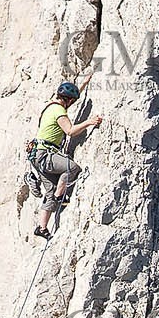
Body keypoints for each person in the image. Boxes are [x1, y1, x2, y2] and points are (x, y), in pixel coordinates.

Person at [28, 79, 102, 240]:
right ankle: (59, 197)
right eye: (72, 101)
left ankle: (42, 228)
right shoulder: (59, 111)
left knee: (49, 192)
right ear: (67, 100)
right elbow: (70, 131)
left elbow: (73, 96)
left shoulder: (51, 106)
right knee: (71, 168)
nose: (72, 104)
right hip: (45, 154)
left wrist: (85, 82)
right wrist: (89, 122)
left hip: (37, 155)